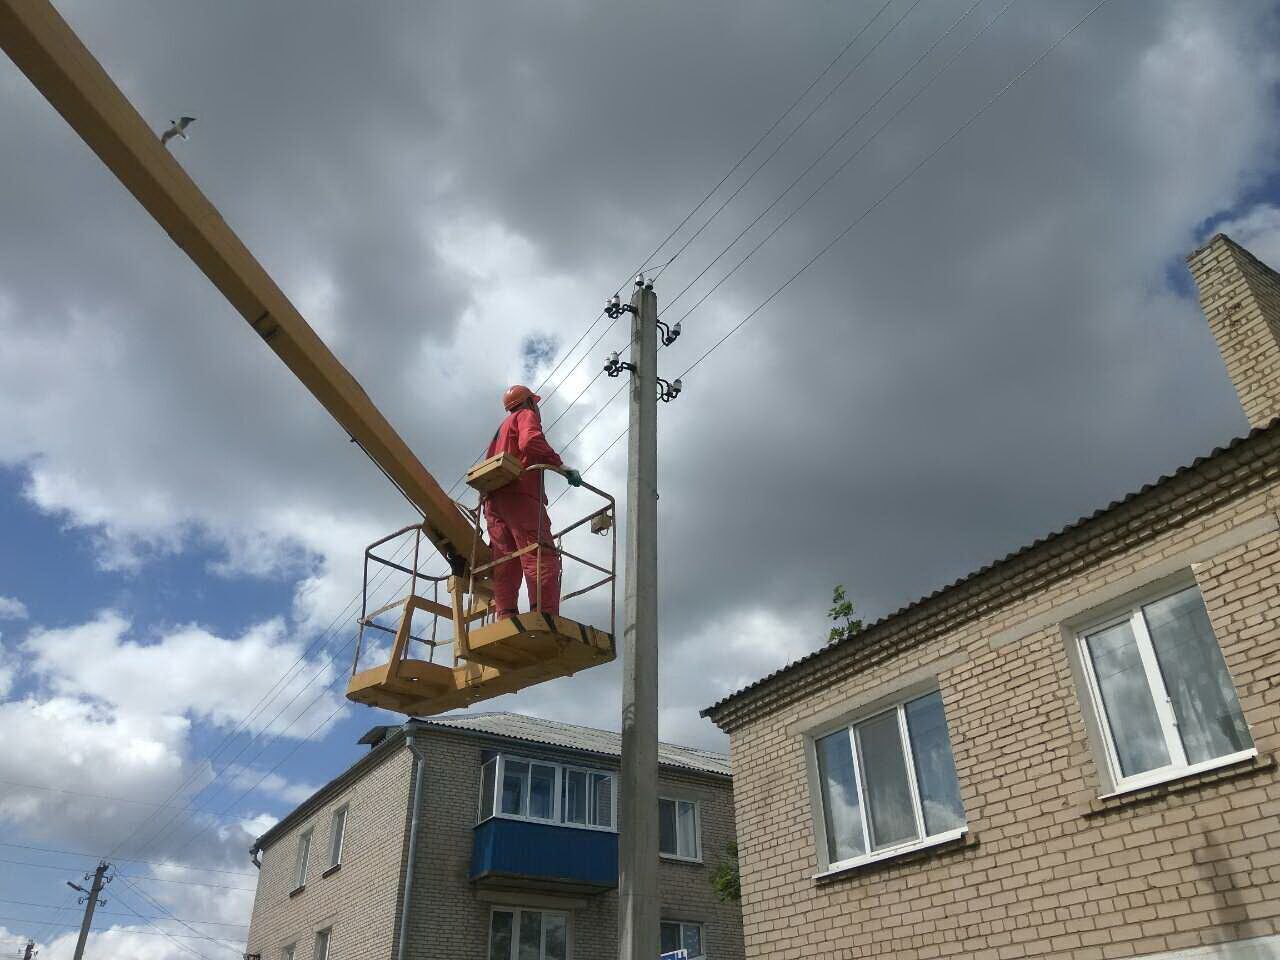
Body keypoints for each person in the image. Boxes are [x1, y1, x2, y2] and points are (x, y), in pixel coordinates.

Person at [483, 384, 582, 618]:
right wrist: (562, 467)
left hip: (493, 502)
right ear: (529, 402)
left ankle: (506, 616)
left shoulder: (501, 429)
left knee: (506, 561)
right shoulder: (525, 415)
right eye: (536, 404)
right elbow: (529, 442)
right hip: (521, 494)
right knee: (540, 555)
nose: (537, 409)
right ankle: (544, 615)